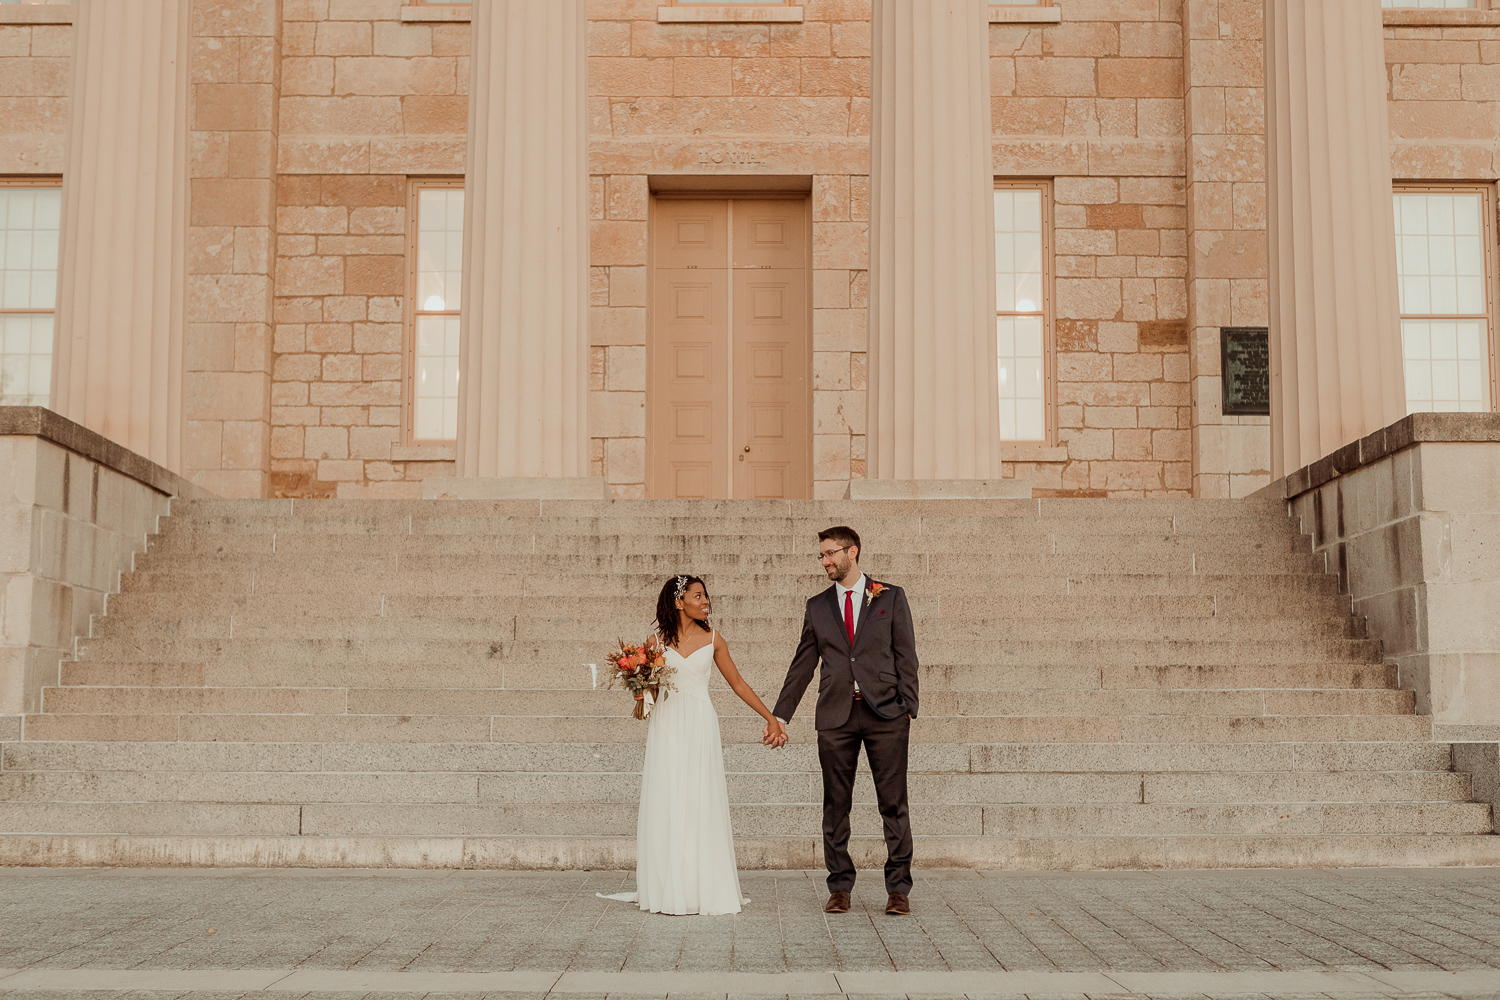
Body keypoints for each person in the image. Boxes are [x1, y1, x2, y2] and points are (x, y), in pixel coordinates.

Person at [600, 574, 787, 916]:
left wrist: (771, 717)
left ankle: (702, 885)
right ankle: (666, 885)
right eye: (698, 596)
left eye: (705, 596)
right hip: (667, 724)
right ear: (678, 601)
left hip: (700, 723)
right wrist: (640, 686)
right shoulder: (655, 642)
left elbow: (738, 683)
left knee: (700, 797)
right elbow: (652, 691)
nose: (705, 601)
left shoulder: (714, 639)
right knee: (667, 796)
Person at [770, 526, 919, 916]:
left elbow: (906, 654)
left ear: (852, 551)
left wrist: (908, 706)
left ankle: (898, 889)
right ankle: (839, 887)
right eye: (821, 555)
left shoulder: (890, 596)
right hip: (835, 716)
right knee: (836, 804)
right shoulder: (817, 606)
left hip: (886, 713)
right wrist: (780, 714)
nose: (825, 561)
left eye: (830, 554)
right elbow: (803, 664)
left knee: (893, 804)